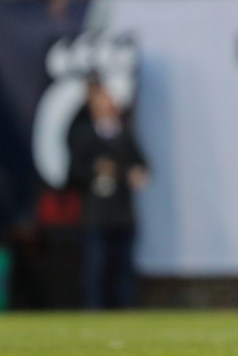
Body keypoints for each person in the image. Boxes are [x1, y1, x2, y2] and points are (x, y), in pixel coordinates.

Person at [68, 74, 149, 309]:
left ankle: (126, 311)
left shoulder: (124, 134)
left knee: (124, 268)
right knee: (97, 268)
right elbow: (74, 174)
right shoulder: (85, 136)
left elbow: (142, 165)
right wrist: (96, 171)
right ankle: (95, 310)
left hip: (123, 213)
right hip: (97, 214)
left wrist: (134, 173)